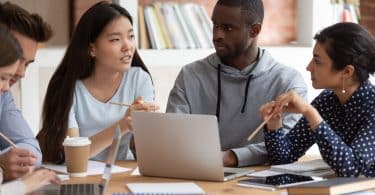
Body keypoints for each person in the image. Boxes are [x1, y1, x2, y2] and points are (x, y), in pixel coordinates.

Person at [166, 0, 307, 167]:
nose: (217, 35)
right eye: (215, 25)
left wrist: (231, 157)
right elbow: (172, 136)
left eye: (228, 28)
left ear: (255, 31)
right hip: (197, 174)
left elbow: (289, 145)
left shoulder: (288, 82)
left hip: (260, 184)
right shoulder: (190, 75)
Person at [37, 1, 158, 164]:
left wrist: (148, 126)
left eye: (130, 36)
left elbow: (147, 149)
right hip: (79, 173)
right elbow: (73, 155)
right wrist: (124, 125)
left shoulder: (139, 79)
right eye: (115, 39)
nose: (127, 46)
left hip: (122, 171)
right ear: (91, 48)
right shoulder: (67, 87)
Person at [260, 22, 375, 177]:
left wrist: (310, 113)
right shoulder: (327, 101)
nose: (309, 67)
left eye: (318, 61)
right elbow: (284, 157)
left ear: (347, 72)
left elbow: (352, 169)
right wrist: (274, 125)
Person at [0, 24, 59, 195]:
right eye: (3, 77)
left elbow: (32, 149)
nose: (21, 73)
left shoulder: (3, 96)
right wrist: (23, 186)